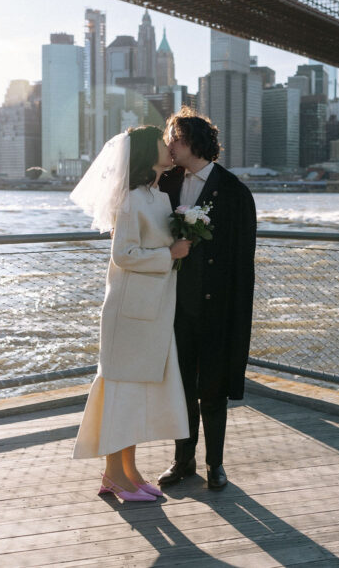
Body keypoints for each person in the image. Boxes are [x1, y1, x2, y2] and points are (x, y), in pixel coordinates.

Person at [70, 125, 192, 503]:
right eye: (162, 142)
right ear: (144, 152)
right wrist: (169, 255)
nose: (169, 147)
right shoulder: (130, 199)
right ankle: (113, 475)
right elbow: (122, 254)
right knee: (121, 391)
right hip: (128, 310)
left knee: (135, 393)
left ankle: (129, 472)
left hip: (154, 306)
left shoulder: (158, 196)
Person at [156, 109, 257, 490]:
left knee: (212, 390)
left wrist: (236, 315)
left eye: (175, 138)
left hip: (216, 309)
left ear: (194, 142)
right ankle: (183, 460)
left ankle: (216, 464)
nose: (169, 145)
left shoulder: (234, 192)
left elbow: (243, 264)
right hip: (174, 307)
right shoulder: (165, 184)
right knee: (180, 387)